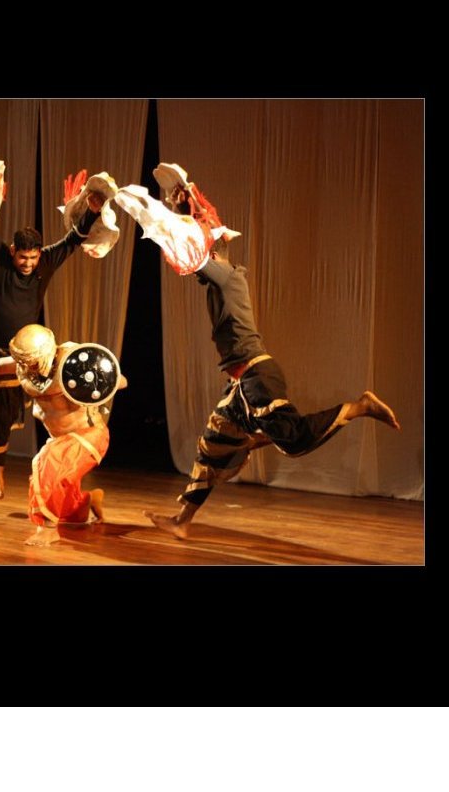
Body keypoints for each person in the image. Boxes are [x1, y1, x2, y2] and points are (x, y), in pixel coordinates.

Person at [116, 164, 400, 540]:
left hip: (257, 377)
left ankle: (359, 406)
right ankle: (182, 520)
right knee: (212, 447)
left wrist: (168, 212)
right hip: (241, 385)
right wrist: (185, 211)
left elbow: (194, 251)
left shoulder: (227, 277)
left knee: (294, 441)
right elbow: (196, 253)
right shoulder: (222, 279)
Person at [0, 159, 118, 501]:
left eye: (33, 258)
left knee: (58, 400)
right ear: (13, 252)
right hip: (0, 349)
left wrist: (92, 212)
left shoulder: (45, 261)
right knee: (0, 409)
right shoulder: (1, 258)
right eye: (23, 258)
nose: (28, 263)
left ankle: (71, 458)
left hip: (37, 354)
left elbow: (73, 239)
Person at [0, 324, 128, 546]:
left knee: (48, 464)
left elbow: (121, 381)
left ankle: (48, 529)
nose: (26, 367)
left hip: (88, 435)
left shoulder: (70, 361)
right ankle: (88, 500)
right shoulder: (26, 366)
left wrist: (99, 378)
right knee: (66, 507)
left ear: (45, 353)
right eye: (23, 362)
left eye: (31, 362)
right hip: (60, 440)